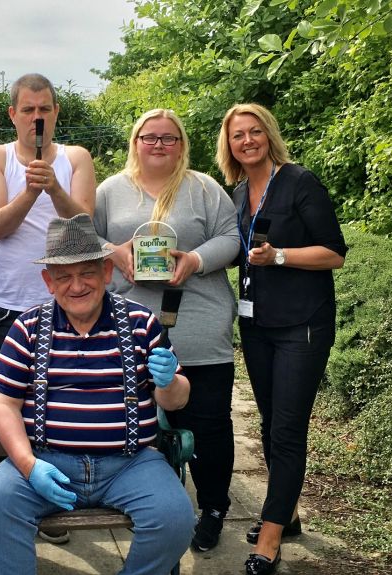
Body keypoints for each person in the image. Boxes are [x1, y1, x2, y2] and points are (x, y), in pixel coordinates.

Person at [0, 214, 195, 574]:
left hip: (130, 464)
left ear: (107, 273)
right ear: (48, 282)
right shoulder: (27, 328)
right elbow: (4, 403)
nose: (76, 286)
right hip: (48, 461)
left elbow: (175, 401)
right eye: (63, 276)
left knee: (174, 518)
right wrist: (29, 466)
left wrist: (169, 380)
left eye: (87, 273)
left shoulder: (142, 323)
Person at [93, 109, 240, 551]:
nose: (159, 145)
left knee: (209, 423)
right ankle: (146, 503)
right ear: (135, 141)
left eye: (169, 138)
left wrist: (194, 260)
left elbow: (231, 237)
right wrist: (114, 253)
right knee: (133, 422)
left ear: (182, 144)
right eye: (149, 137)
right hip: (130, 324)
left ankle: (213, 507)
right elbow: (86, 235)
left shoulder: (204, 188)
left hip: (198, 321)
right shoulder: (109, 191)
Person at [216, 103, 347, 575]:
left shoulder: (299, 182)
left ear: (268, 135)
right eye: (237, 136)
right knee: (271, 423)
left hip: (302, 324)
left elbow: (334, 253)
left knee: (288, 430)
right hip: (256, 325)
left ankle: (270, 537)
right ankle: (287, 513)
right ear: (228, 145)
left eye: (254, 132)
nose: (246, 140)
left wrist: (281, 257)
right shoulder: (234, 196)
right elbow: (235, 252)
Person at [0, 73, 96, 369]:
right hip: (8, 306)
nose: (36, 118)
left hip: (69, 303)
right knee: (5, 399)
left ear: (56, 112)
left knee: (66, 398)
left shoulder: (77, 158)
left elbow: (83, 228)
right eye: (28, 110)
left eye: (44, 109)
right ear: (13, 115)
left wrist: (54, 188)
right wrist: (30, 192)